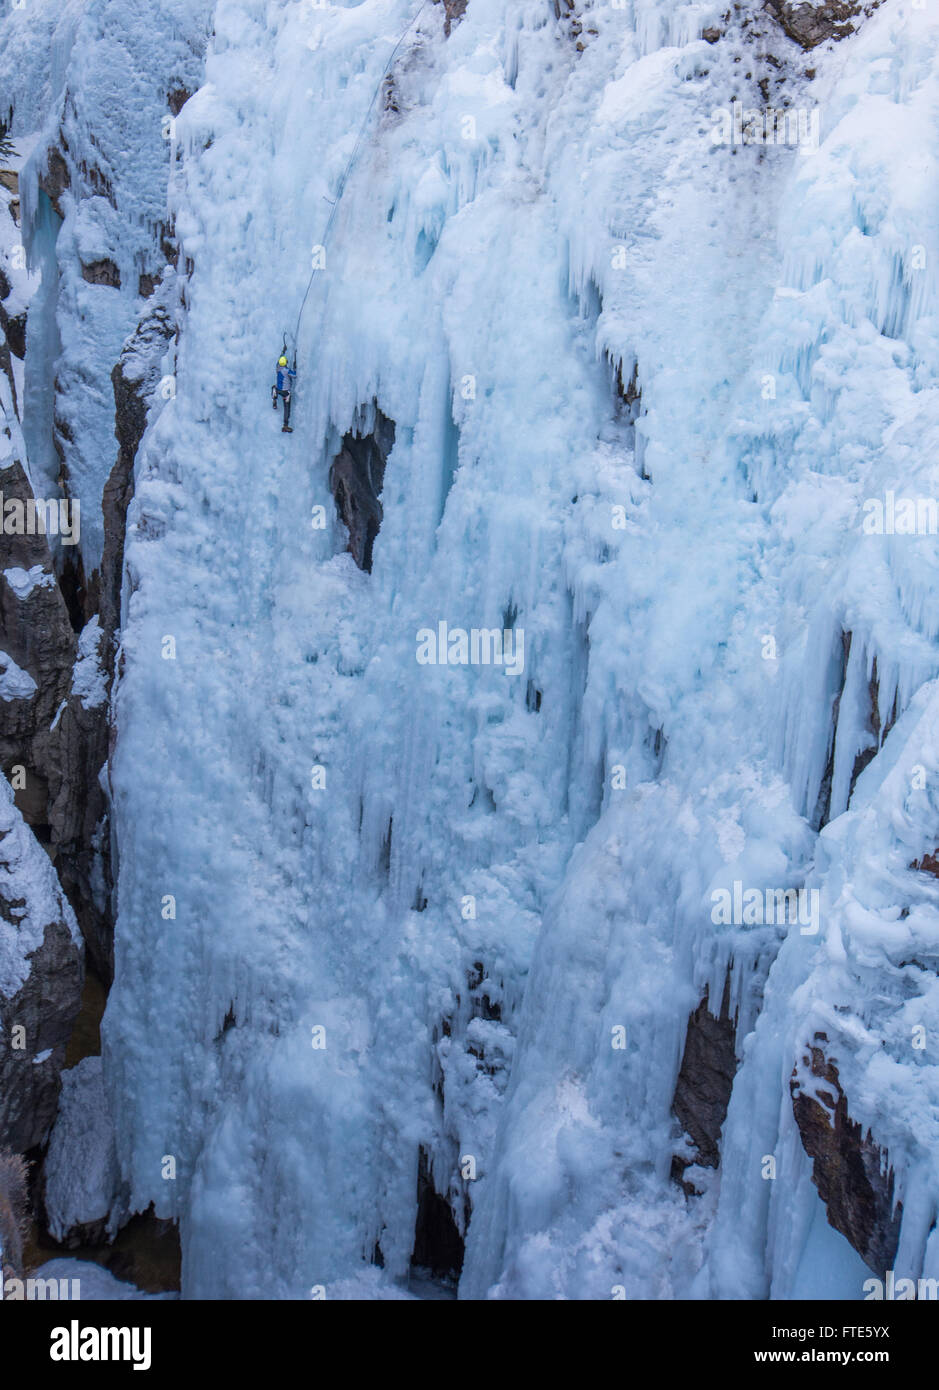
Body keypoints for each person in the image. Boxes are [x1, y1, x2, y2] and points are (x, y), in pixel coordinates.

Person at [272, 353, 296, 432]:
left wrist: (283, 351)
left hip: (279, 390)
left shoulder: (277, 368)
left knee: (273, 387)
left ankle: (274, 398)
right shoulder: (287, 370)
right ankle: (285, 425)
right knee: (287, 408)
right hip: (286, 392)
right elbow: (295, 375)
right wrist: (295, 368)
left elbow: (279, 361)